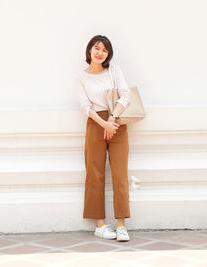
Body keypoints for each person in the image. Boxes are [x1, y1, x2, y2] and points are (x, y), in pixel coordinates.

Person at [75, 35, 131, 242]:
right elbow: (85, 107)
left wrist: (113, 119)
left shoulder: (114, 71)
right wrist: (103, 123)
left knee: (119, 174)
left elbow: (125, 95)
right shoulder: (81, 77)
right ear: (89, 50)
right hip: (96, 123)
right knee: (95, 173)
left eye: (104, 50)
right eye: (96, 48)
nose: (100, 53)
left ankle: (122, 224)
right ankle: (100, 225)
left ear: (109, 54)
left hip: (117, 121)